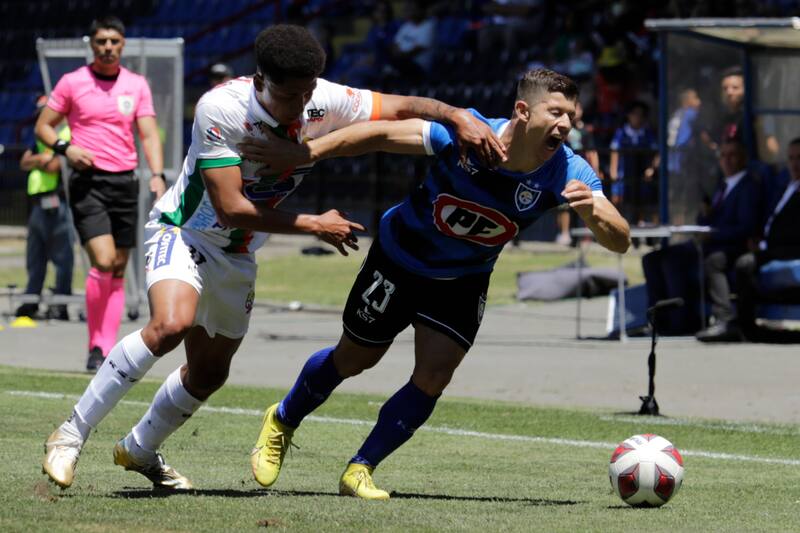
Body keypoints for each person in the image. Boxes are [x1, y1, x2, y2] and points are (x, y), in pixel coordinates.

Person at [40, 23, 505, 491]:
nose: (301, 105)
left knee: (209, 373)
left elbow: (400, 107)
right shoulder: (222, 109)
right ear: (261, 80)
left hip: (238, 254)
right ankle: (70, 434)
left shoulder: (322, 98)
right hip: (185, 232)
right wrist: (314, 224)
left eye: (307, 93)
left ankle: (140, 449)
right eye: (289, 95)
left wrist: (455, 115)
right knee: (169, 325)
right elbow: (231, 208)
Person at [247, 68, 630, 500]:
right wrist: (306, 153)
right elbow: (382, 134)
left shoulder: (569, 171)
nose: (565, 124)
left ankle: (361, 468)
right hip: (399, 259)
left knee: (434, 375)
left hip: (463, 279)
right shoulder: (469, 132)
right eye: (555, 112)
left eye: (571, 117)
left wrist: (593, 213)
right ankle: (282, 418)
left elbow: (621, 240)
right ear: (523, 111)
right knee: (354, 359)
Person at [35, 15, 167, 371]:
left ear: (122, 45)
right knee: (104, 260)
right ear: (91, 45)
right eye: (101, 42)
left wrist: (157, 175)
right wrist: (66, 148)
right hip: (88, 182)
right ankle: (95, 344)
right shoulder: (72, 82)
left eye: (114, 42)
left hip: (125, 182)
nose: (108, 48)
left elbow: (148, 133)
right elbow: (43, 126)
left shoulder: (136, 84)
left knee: (119, 267)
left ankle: (106, 348)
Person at [642, 138, 761, 336]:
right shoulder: (722, 186)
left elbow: (746, 227)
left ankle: (681, 323)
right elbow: (709, 220)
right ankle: (658, 323)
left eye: (732, 155)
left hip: (725, 246)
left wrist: (712, 236)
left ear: (743, 158)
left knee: (673, 261)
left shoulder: (748, 187)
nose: (727, 160)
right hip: (705, 242)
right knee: (652, 259)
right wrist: (705, 215)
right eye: (723, 155)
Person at [696, 138, 800, 342]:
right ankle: (731, 322)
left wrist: (764, 244)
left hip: (789, 248)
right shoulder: (785, 187)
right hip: (767, 246)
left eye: (799, 158)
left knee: (744, 263)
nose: (795, 164)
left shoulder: (751, 186)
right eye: (791, 158)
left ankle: (745, 326)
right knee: (717, 259)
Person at [16, 95, 74, 320]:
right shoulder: (40, 137)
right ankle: (31, 300)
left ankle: (61, 302)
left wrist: (41, 161)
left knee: (62, 255)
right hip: (38, 205)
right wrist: (41, 159)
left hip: (57, 202)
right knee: (35, 255)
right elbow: (24, 162)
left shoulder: (66, 135)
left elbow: (53, 165)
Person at [608, 101, 659, 224]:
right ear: (628, 115)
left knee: (642, 198)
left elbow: (657, 153)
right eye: (635, 114)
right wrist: (613, 171)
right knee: (617, 198)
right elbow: (614, 151)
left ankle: (640, 223)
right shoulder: (621, 133)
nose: (637, 117)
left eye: (640, 115)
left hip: (641, 173)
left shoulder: (647, 133)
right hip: (624, 172)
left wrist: (651, 168)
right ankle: (617, 223)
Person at [557, 100, 599, 245]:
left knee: (584, 203)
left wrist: (595, 171)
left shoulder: (585, 131)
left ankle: (586, 235)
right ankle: (564, 233)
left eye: (578, 109)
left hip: (580, 172)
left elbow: (592, 152)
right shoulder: (561, 128)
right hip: (564, 171)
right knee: (563, 204)